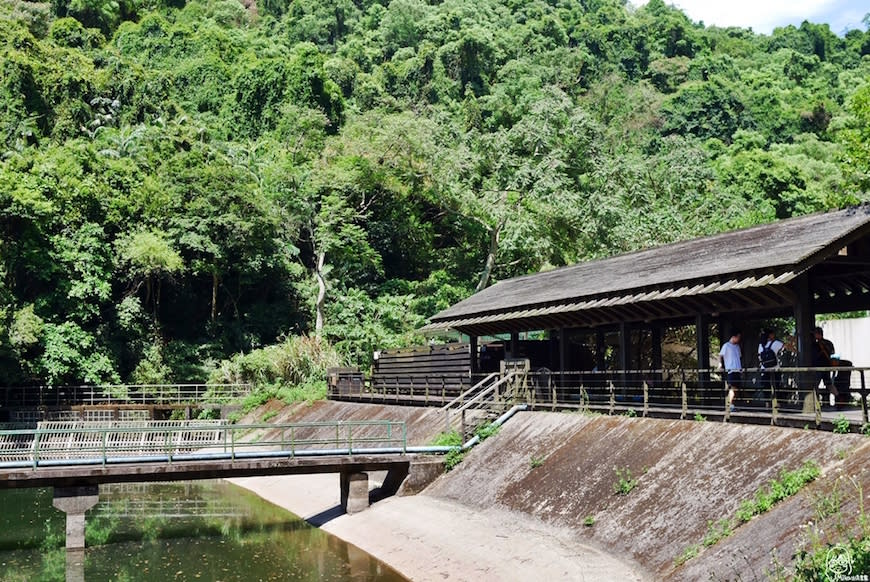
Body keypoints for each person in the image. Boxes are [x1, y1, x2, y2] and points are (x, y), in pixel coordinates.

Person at [811, 326, 838, 400]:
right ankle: (839, 399)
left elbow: (813, 356)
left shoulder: (814, 344)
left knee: (814, 385)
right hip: (827, 367)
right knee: (829, 384)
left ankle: (816, 403)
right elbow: (832, 353)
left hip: (817, 367)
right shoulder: (829, 343)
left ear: (817, 334)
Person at [758, 329, 784, 404]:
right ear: (770, 335)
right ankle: (776, 402)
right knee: (777, 385)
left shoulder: (760, 345)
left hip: (764, 369)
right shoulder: (776, 343)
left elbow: (759, 357)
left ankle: (767, 403)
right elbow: (786, 347)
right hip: (775, 368)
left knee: (766, 386)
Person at [719, 330, 742, 410]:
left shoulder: (737, 346)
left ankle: (732, 405)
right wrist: (720, 364)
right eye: (738, 337)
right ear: (733, 337)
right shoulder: (726, 346)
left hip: (738, 369)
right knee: (732, 388)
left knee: (735, 389)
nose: (739, 339)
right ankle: (729, 405)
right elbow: (721, 355)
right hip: (731, 369)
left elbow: (739, 357)